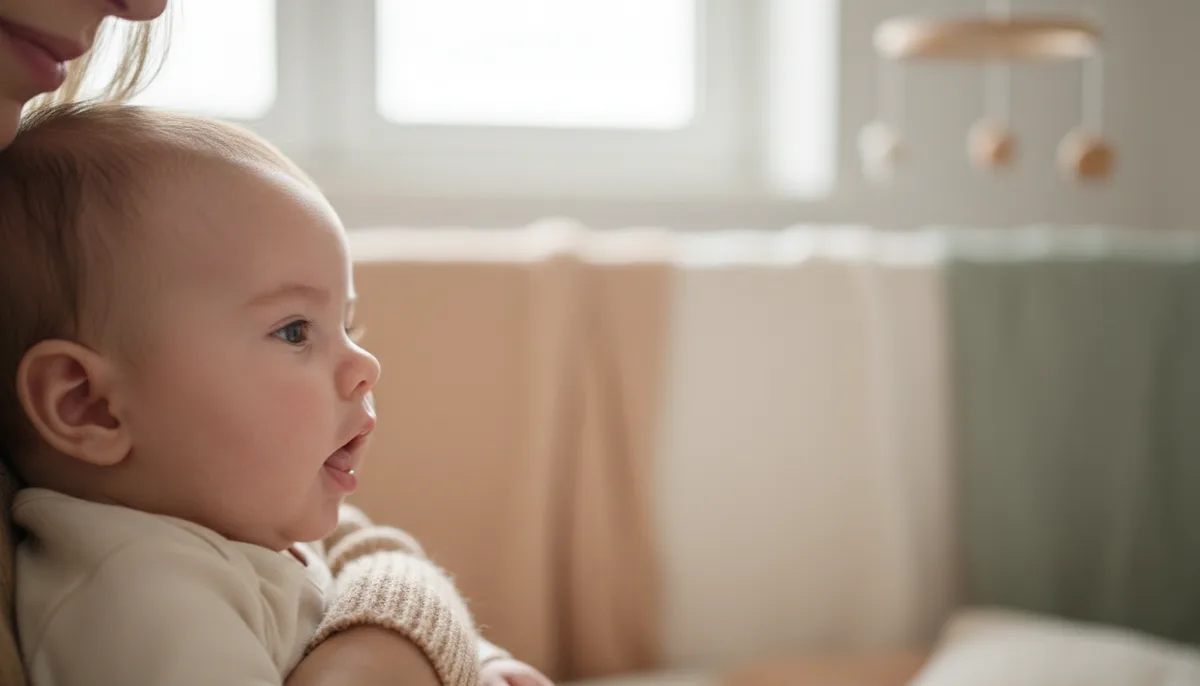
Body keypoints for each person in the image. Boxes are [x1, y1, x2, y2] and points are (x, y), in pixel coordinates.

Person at [0, 3, 550, 686]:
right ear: (89, 405)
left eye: (348, 326)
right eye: (294, 330)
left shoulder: (227, 528)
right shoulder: (142, 595)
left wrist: (480, 662)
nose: (365, 366)